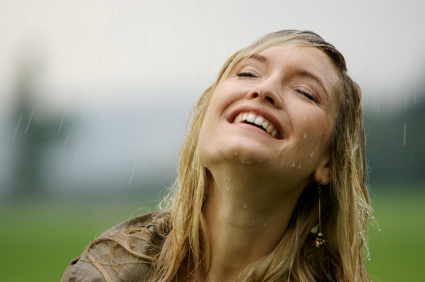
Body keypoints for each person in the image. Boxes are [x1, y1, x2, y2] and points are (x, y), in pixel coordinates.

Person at [62, 30, 372, 282]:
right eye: (249, 73)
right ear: (204, 119)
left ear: (328, 163)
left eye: (305, 92)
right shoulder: (107, 271)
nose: (265, 89)